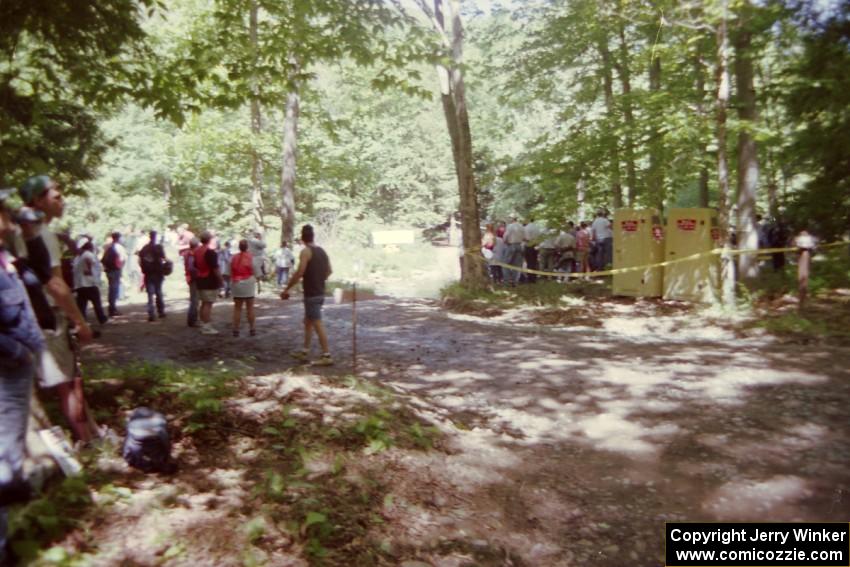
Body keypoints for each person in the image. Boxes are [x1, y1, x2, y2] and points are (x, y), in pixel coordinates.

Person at [18, 175, 100, 443]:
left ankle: (92, 434)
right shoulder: (41, 234)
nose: (62, 201)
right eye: (56, 196)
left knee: (70, 379)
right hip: (49, 317)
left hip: (35, 315)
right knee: (68, 383)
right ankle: (87, 443)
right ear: (38, 200)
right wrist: (80, 321)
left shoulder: (29, 233)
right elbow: (55, 284)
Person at [0, 189, 45, 566]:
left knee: (8, 449)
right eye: (4, 213)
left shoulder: (5, 256)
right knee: (4, 456)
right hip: (6, 369)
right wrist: (18, 353)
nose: (11, 221)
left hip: (15, 368)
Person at [281, 224, 333, 366]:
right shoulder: (322, 251)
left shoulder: (306, 252)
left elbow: (300, 272)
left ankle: (326, 355)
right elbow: (329, 271)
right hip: (320, 291)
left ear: (302, 238)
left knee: (316, 322)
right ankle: (304, 351)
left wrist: (287, 289)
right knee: (308, 322)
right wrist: (319, 279)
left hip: (312, 293)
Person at [73, 239, 108, 326]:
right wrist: (88, 269)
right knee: (96, 303)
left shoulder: (79, 256)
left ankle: (83, 320)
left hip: (81, 284)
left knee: (82, 304)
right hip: (89, 283)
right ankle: (102, 318)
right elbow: (89, 260)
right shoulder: (87, 254)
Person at [194, 231, 221, 335]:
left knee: (203, 303)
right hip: (209, 280)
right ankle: (206, 326)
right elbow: (215, 268)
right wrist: (220, 280)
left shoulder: (197, 251)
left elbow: (196, 265)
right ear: (209, 240)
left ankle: (202, 324)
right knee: (208, 304)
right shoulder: (210, 252)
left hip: (200, 279)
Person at [230, 239, 258, 337]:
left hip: (236, 283)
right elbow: (256, 271)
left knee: (237, 308)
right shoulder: (251, 258)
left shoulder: (233, 257)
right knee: (250, 307)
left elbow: (228, 271)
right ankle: (252, 329)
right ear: (247, 247)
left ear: (239, 247)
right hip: (248, 283)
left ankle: (236, 330)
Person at [138, 231, 168, 322]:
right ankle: (161, 312)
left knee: (150, 294)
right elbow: (164, 258)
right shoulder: (158, 247)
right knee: (158, 292)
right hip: (158, 272)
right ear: (156, 237)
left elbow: (140, 260)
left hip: (148, 273)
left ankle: (151, 314)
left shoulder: (144, 248)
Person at [101, 231, 125, 316]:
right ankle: (113, 309)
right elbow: (122, 260)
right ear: (118, 238)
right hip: (116, 270)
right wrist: (121, 268)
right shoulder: (119, 247)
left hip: (109, 270)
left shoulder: (108, 247)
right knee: (114, 290)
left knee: (111, 289)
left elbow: (103, 259)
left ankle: (111, 308)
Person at [503, 215, 525, 286]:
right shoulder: (522, 227)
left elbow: (505, 236)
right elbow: (524, 237)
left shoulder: (510, 226)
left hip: (511, 245)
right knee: (517, 265)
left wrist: (506, 242)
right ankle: (515, 281)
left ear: (512, 219)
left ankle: (507, 280)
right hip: (519, 245)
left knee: (505, 264)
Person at [184, 238, 200, 327]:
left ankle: (192, 319)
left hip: (190, 278)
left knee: (194, 299)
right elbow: (192, 268)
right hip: (194, 279)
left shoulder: (187, 253)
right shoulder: (192, 255)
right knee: (195, 300)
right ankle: (192, 320)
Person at [523, 217, 542, 284]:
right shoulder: (537, 228)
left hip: (528, 246)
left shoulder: (527, 228)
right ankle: (534, 277)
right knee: (534, 262)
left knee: (529, 262)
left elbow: (527, 238)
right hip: (535, 246)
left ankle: (530, 277)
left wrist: (524, 239)